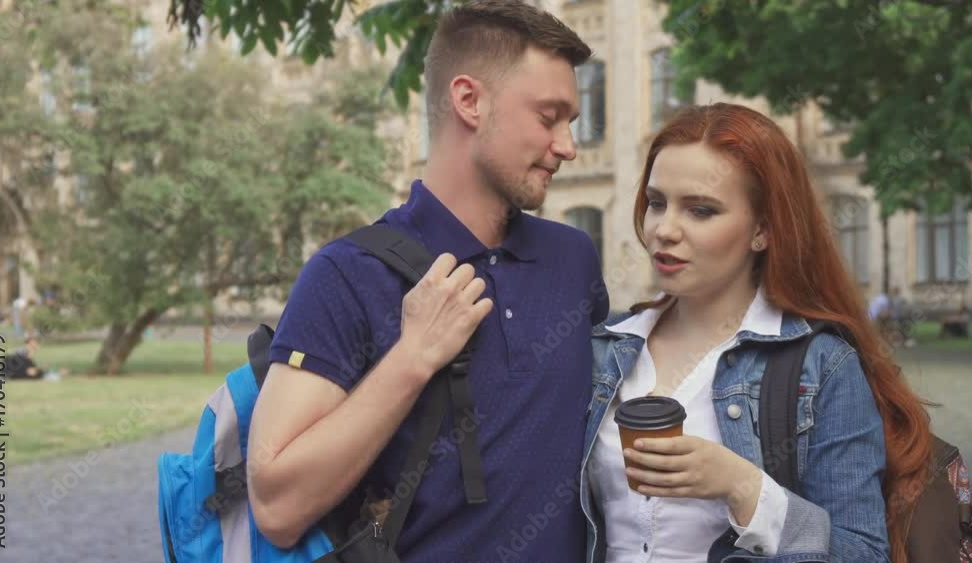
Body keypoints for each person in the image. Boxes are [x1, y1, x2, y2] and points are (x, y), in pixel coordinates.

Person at [247, 1, 609, 561]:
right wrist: (413, 357)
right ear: (468, 100)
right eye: (548, 117)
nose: (567, 146)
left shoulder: (573, 258)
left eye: (571, 122)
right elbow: (276, 509)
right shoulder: (347, 274)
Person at [582, 103, 932, 563]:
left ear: (762, 230)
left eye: (701, 210)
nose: (664, 230)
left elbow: (863, 554)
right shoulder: (602, 349)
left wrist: (743, 488)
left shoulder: (821, 367)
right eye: (657, 203)